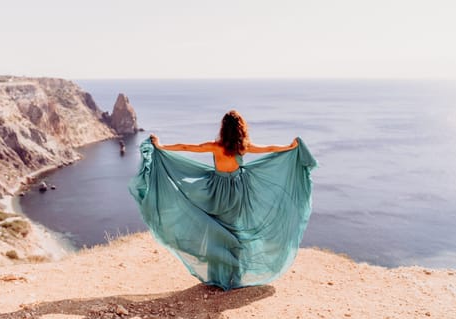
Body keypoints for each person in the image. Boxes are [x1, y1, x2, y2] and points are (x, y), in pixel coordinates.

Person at [129, 110, 317, 290]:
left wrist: (161, 146)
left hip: (216, 191)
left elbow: (186, 147)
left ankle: (216, 276)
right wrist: (290, 147)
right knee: (235, 232)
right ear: (240, 129)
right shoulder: (243, 147)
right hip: (237, 191)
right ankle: (236, 275)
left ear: (223, 129)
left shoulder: (215, 146)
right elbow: (270, 149)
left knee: (217, 231)